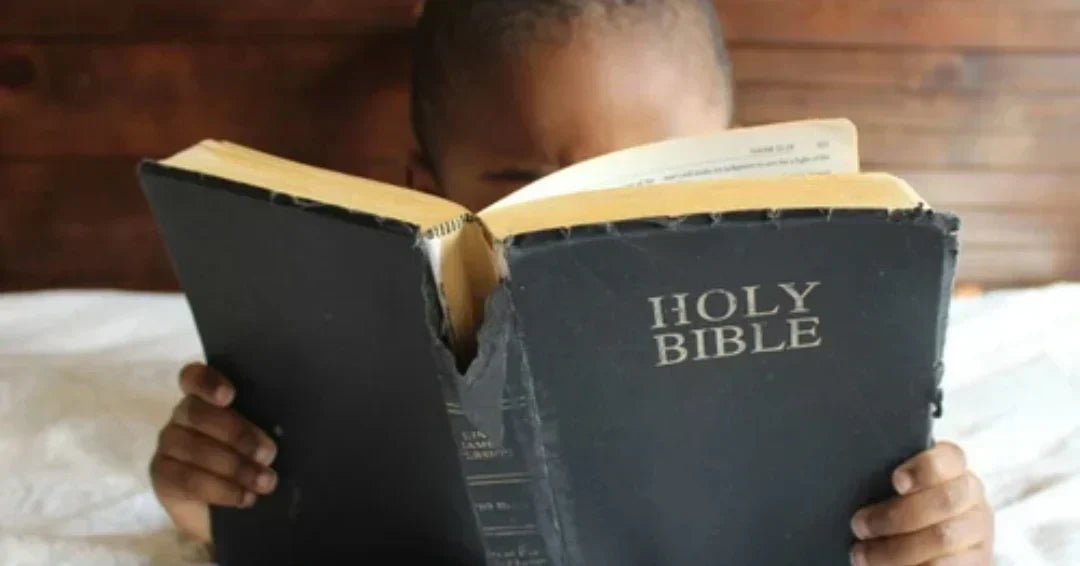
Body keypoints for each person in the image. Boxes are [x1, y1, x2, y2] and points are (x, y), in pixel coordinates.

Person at [150, 1, 994, 564]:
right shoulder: (363, 354)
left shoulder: (805, 332)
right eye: (520, 186)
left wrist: (939, 535)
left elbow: (889, 513)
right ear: (426, 186)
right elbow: (297, 516)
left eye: (651, 180)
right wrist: (208, 495)